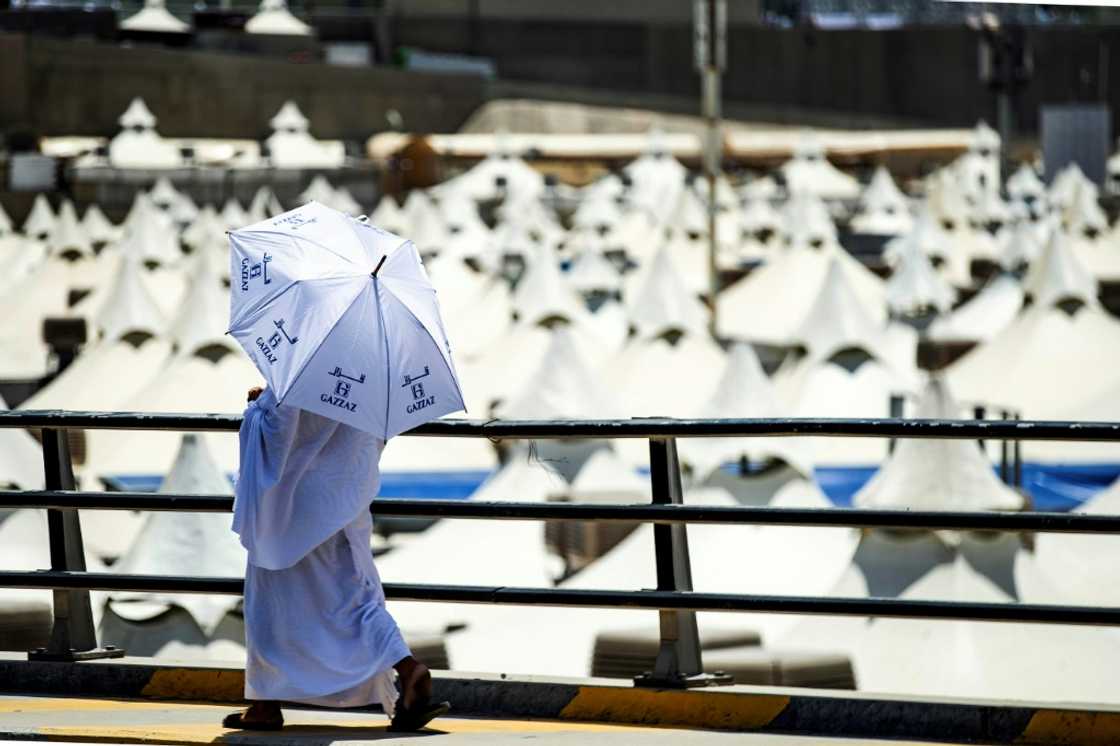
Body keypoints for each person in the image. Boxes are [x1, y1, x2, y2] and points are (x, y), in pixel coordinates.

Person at [223, 385, 449, 732]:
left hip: (289, 509)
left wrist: (257, 406)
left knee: (270, 604)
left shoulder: (300, 370)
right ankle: (407, 667)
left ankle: (264, 704)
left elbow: (278, 434)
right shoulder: (372, 375)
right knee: (355, 599)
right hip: (343, 502)